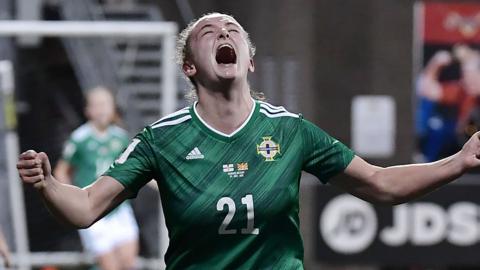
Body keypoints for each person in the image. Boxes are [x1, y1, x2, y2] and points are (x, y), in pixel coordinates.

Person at [16, 13, 480, 269]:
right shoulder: (161, 140)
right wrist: (47, 186)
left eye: (233, 29)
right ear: (189, 68)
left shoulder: (290, 130)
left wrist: (458, 162)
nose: (223, 31)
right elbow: (85, 207)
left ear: (249, 62)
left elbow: (380, 183)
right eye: (208, 31)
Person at [53, 86, 139, 270]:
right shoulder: (80, 138)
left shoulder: (120, 137)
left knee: (129, 262)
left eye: (106, 104)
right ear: (88, 110)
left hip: (119, 206)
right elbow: (61, 171)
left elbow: (138, 170)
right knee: (110, 266)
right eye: (97, 105)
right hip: (94, 208)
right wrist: (72, 200)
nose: (102, 109)